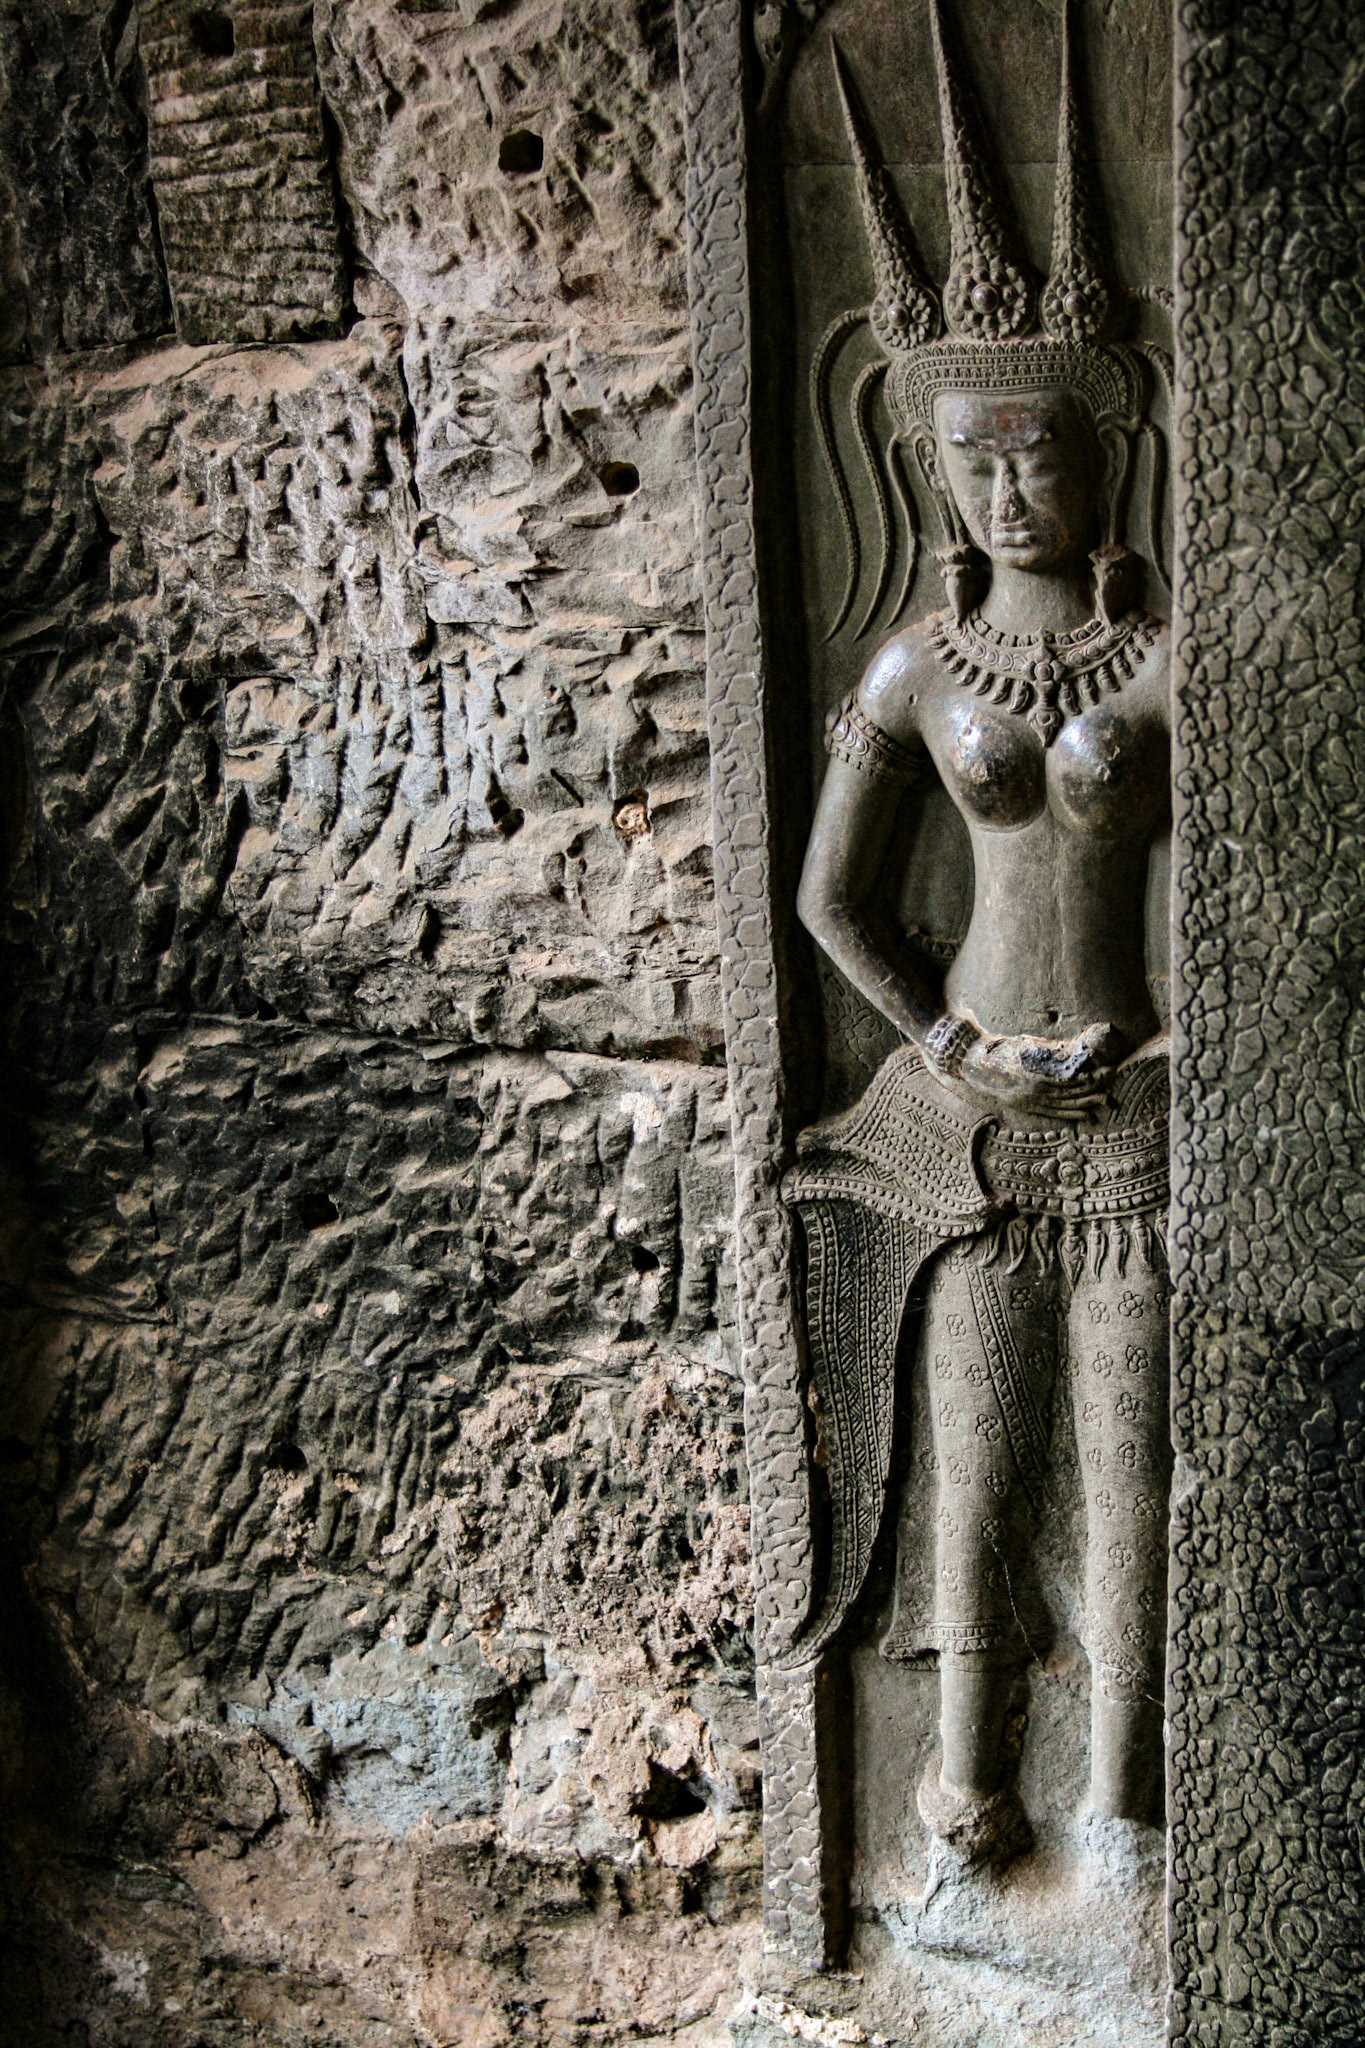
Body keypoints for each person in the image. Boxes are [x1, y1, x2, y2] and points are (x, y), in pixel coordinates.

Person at [785, 1, 1172, 1857]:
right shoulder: (916, 664)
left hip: (1137, 1103)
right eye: (970, 465)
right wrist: (931, 1037)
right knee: (972, 1453)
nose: (1004, 490)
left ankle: (1131, 1776)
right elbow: (826, 896)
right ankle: (957, 1771)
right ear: (932, 479)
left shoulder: (1162, 665)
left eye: (1032, 455)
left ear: (1095, 458)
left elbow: (1229, 876)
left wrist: (1192, 1030)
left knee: (1133, 1455)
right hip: (978, 1116)